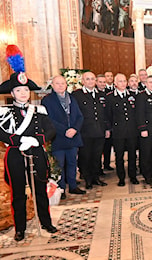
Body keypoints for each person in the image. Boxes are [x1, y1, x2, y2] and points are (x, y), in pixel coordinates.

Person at [0, 54, 58, 241]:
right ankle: (20, 228)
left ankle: (46, 222)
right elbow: (1, 133)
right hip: (15, 155)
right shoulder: (5, 112)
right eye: (19, 90)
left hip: (37, 153)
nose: (23, 93)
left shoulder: (39, 110)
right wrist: (18, 141)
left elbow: (50, 130)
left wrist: (37, 140)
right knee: (18, 194)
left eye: (25, 90)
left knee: (40, 191)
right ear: (12, 93)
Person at [42, 75, 86, 198]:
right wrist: (65, 130)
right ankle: (60, 189)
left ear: (66, 85)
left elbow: (79, 117)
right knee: (59, 165)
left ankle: (73, 186)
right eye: (58, 83)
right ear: (53, 85)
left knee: (72, 163)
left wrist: (75, 129)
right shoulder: (47, 100)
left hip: (73, 137)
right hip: (58, 138)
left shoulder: (72, 98)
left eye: (63, 83)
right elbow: (48, 119)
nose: (61, 86)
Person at [72, 72, 108, 190]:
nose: (91, 81)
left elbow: (105, 114)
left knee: (97, 156)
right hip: (85, 131)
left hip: (99, 130)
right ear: (83, 81)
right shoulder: (77, 95)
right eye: (88, 79)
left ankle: (96, 177)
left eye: (93, 79)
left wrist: (107, 128)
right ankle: (88, 179)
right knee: (86, 156)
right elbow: (75, 114)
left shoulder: (101, 94)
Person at [105, 73, 139, 186]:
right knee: (119, 156)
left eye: (124, 81)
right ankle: (121, 178)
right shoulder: (110, 97)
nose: (123, 83)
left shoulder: (133, 95)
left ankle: (133, 176)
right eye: (120, 81)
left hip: (132, 131)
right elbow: (108, 116)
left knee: (132, 155)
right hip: (118, 132)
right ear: (115, 83)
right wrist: (109, 129)